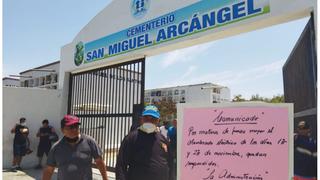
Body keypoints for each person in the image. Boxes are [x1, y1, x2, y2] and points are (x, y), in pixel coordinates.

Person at [116, 104, 173, 180]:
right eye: (146, 118)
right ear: (141, 119)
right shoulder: (131, 138)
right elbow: (121, 164)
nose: (149, 121)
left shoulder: (163, 139)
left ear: (158, 120)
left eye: (153, 119)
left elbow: (170, 163)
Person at [42, 115, 108, 180]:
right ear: (62, 130)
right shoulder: (56, 148)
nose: (74, 129)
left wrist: (105, 178)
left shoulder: (90, 142)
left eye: (76, 126)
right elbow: (49, 170)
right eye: (70, 127)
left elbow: (99, 162)